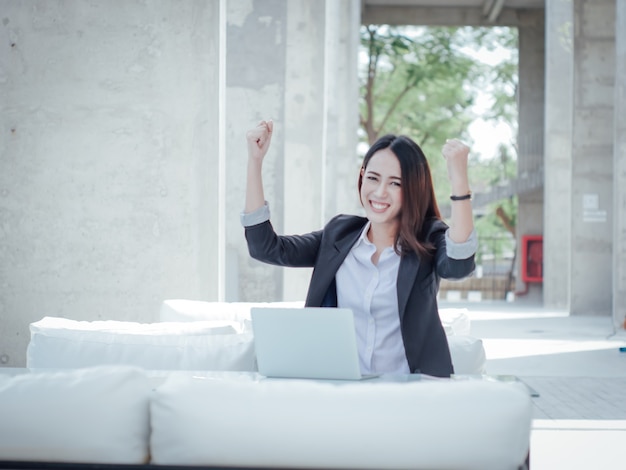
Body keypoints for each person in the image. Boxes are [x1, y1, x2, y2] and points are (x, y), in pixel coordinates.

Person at [241, 120, 477, 378]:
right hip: (341, 390)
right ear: (362, 177)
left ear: (413, 189)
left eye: (395, 183)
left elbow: (458, 264)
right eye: (373, 178)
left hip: (412, 393)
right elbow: (265, 247)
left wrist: (459, 183)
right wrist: (255, 161)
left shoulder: (428, 238)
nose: (380, 192)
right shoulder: (339, 235)